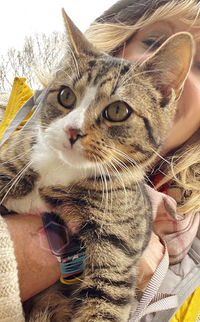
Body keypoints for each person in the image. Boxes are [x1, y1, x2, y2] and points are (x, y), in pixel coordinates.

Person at [0, 0, 200, 321]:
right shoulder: (15, 141)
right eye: (152, 41)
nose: (76, 129)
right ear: (117, 42)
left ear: (164, 95)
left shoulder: (192, 259)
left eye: (115, 111)